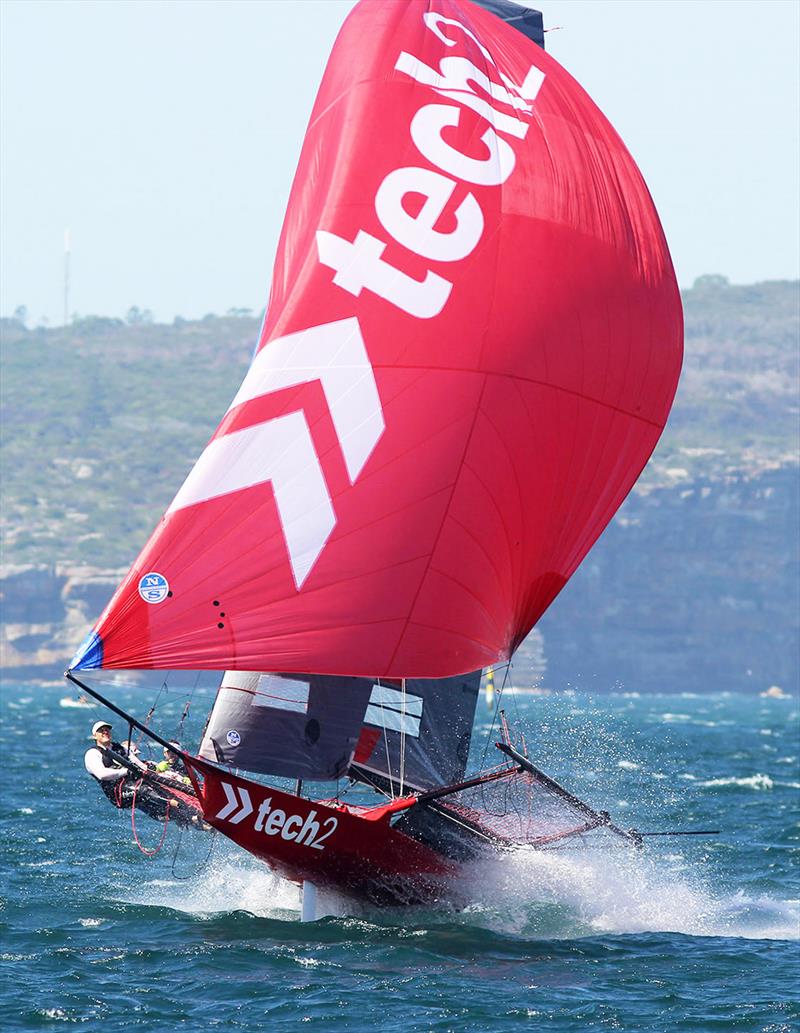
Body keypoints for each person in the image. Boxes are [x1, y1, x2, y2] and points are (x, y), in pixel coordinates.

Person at [84, 720, 202, 827]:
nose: (105, 732)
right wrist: (126, 771)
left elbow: (138, 763)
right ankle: (175, 804)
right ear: (95, 735)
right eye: (101, 731)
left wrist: (155, 772)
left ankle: (198, 820)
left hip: (133, 783)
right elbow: (102, 774)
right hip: (117, 793)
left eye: (107, 730)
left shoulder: (120, 748)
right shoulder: (92, 753)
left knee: (157, 804)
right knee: (143, 790)